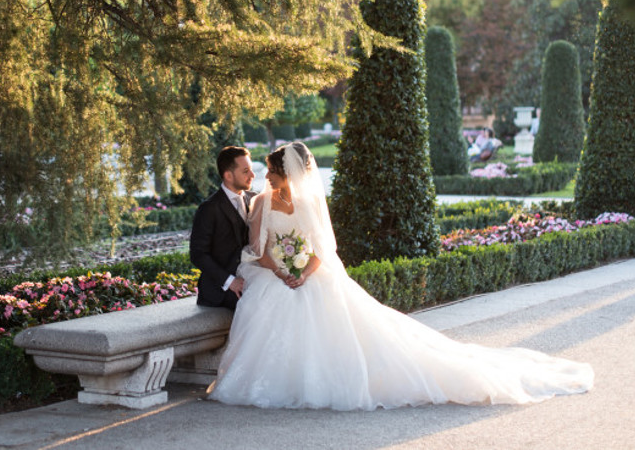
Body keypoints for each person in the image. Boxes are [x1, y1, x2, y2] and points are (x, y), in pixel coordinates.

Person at [209, 141, 594, 410]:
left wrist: (304, 274)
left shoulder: (310, 203)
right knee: (273, 303)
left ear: (287, 173)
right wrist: (282, 272)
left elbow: (324, 250)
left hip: (310, 274)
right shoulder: (262, 202)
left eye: (272, 171)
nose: (266, 176)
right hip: (275, 272)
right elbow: (257, 249)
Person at [190, 145, 256, 309]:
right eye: (245, 171)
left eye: (251, 170)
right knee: (258, 306)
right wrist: (230, 281)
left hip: (251, 278)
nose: (252, 175)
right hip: (221, 289)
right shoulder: (209, 208)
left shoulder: (255, 200)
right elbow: (198, 254)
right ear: (228, 175)